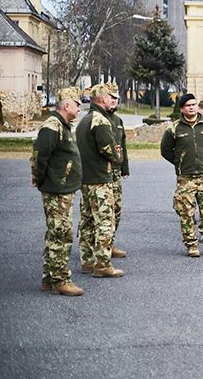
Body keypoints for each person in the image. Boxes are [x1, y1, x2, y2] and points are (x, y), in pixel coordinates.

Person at [31, 87, 84, 296]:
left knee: (56, 234)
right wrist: (44, 180)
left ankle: (49, 277)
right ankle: (60, 280)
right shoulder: (52, 126)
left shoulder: (64, 126)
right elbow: (39, 156)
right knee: (61, 235)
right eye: (77, 104)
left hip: (63, 189)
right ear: (67, 105)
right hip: (56, 191)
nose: (80, 107)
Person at [160, 94, 203, 257]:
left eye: (194, 104)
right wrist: (180, 162)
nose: (191, 107)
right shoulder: (174, 128)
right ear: (182, 108)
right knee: (186, 213)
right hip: (185, 179)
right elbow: (166, 150)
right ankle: (191, 245)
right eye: (188, 105)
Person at [76, 83, 124, 277]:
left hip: (85, 178)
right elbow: (109, 151)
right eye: (108, 97)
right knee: (105, 221)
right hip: (99, 178)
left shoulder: (84, 121)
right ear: (103, 99)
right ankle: (102, 264)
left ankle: (87, 261)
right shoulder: (101, 121)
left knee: (87, 221)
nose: (111, 100)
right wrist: (117, 155)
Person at [106, 82, 129, 259]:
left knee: (116, 210)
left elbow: (123, 145)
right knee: (99, 213)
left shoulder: (118, 121)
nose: (114, 101)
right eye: (111, 98)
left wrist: (124, 167)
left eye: (116, 98)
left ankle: (109, 242)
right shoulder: (97, 119)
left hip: (115, 171)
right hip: (101, 172)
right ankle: (92, 246)